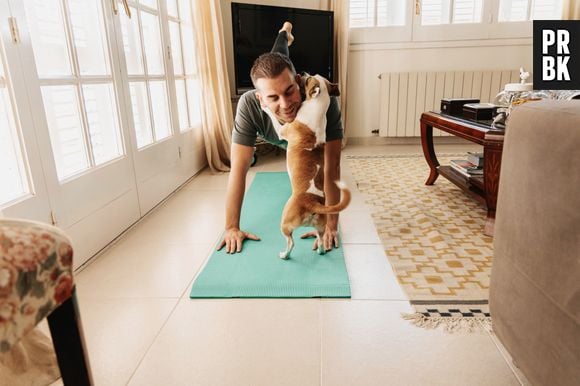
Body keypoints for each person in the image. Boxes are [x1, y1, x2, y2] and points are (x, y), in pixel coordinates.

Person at [217, 22, 344, 254]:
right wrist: (231, 227)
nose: (285, 105)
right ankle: (285, 33)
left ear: (298, 81)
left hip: (305, 138)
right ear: (260, 99)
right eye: (273, 97)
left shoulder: (321, 100)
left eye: (289, 91)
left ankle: (284, 37)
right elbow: (239, 168)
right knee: (279, 49)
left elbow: (332, 165)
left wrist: (330, 224)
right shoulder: (249, 105)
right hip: (285, 136)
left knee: (279, 56)